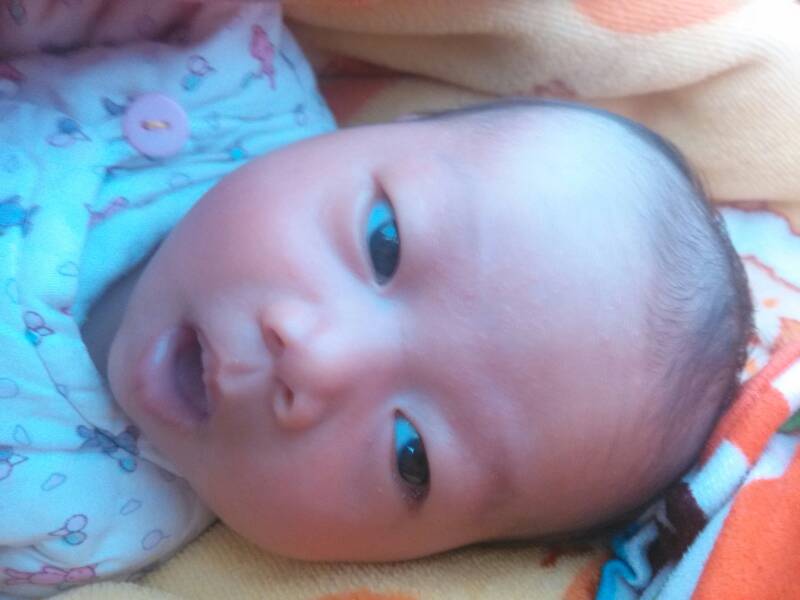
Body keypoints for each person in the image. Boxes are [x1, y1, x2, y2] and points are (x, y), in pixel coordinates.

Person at [1, 3, 752, 597]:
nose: (319, 358)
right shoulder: (224, 82)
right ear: (386, 132)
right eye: (384, 244)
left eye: (410, 455)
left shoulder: (78, 532)